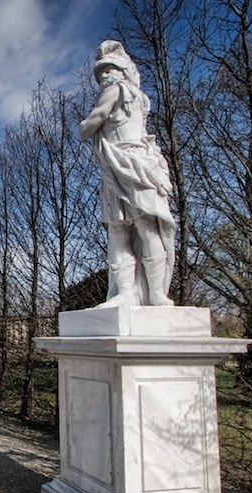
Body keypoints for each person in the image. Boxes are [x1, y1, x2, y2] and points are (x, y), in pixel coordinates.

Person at [79, 40, 176, 307]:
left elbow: (89, 126)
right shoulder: (141, 98)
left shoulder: (116, 90)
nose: (104, 76)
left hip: (126, 162)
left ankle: (142, 293)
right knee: (127, 229)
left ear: (122, 71)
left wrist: (84, 125)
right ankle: (149, 293)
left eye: (109, 69)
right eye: (101, 73)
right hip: (125, 164)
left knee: (133, 229)